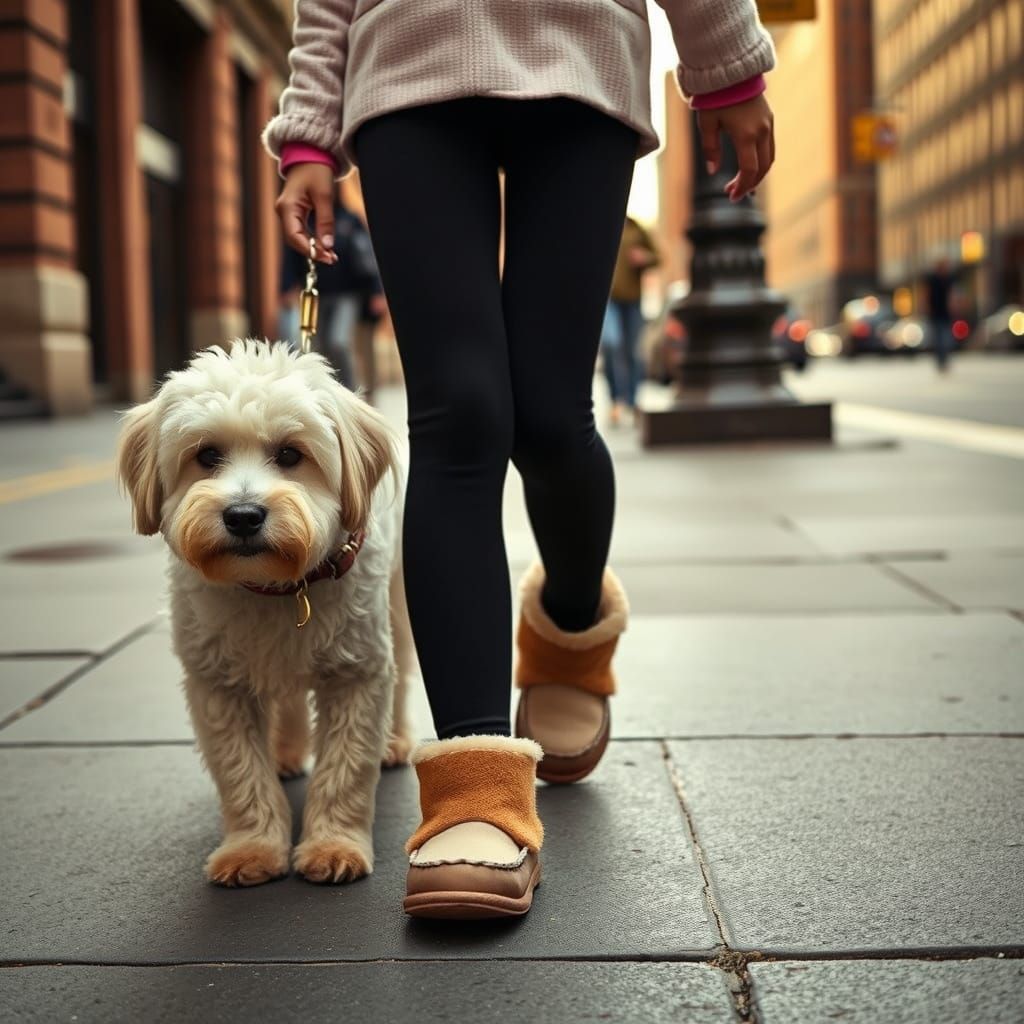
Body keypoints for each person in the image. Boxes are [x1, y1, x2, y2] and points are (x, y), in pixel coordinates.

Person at [264, 0, 776, 920]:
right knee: (462, 419)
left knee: (548, 416)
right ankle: (474, 788)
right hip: (406, 62)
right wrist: (309, 132)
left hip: (582, 54)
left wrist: (727, 66)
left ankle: (567, 636)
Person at [280, 188, 382, 388]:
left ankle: (351, 394)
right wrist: (286, 287)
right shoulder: (305, 223)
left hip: (347, 295)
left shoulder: (349, 220)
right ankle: (327, 393)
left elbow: (367, 257)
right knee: (317, 348)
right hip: (315, 295)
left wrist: (376, 291)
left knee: (338, 342)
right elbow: (290, 258)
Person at [608, 216, 663, 426]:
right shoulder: (601, 224)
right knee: (611, 345)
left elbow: (658, 258)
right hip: (608, 300)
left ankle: (631, 401)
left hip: (632, 301)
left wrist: (645, 258)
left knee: (632, 350)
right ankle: (616, 399)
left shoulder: (637, 229)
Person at [925, 258, 956, 373]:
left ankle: (944, 361)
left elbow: (951, 295)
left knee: (946, 340)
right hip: (935, 314)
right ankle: (940, 361)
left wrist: (953, 307)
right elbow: (927, 294)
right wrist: (927, 308)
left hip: (945, 315)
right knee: (938, 340)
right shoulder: (932, 279)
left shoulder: (949, 279)